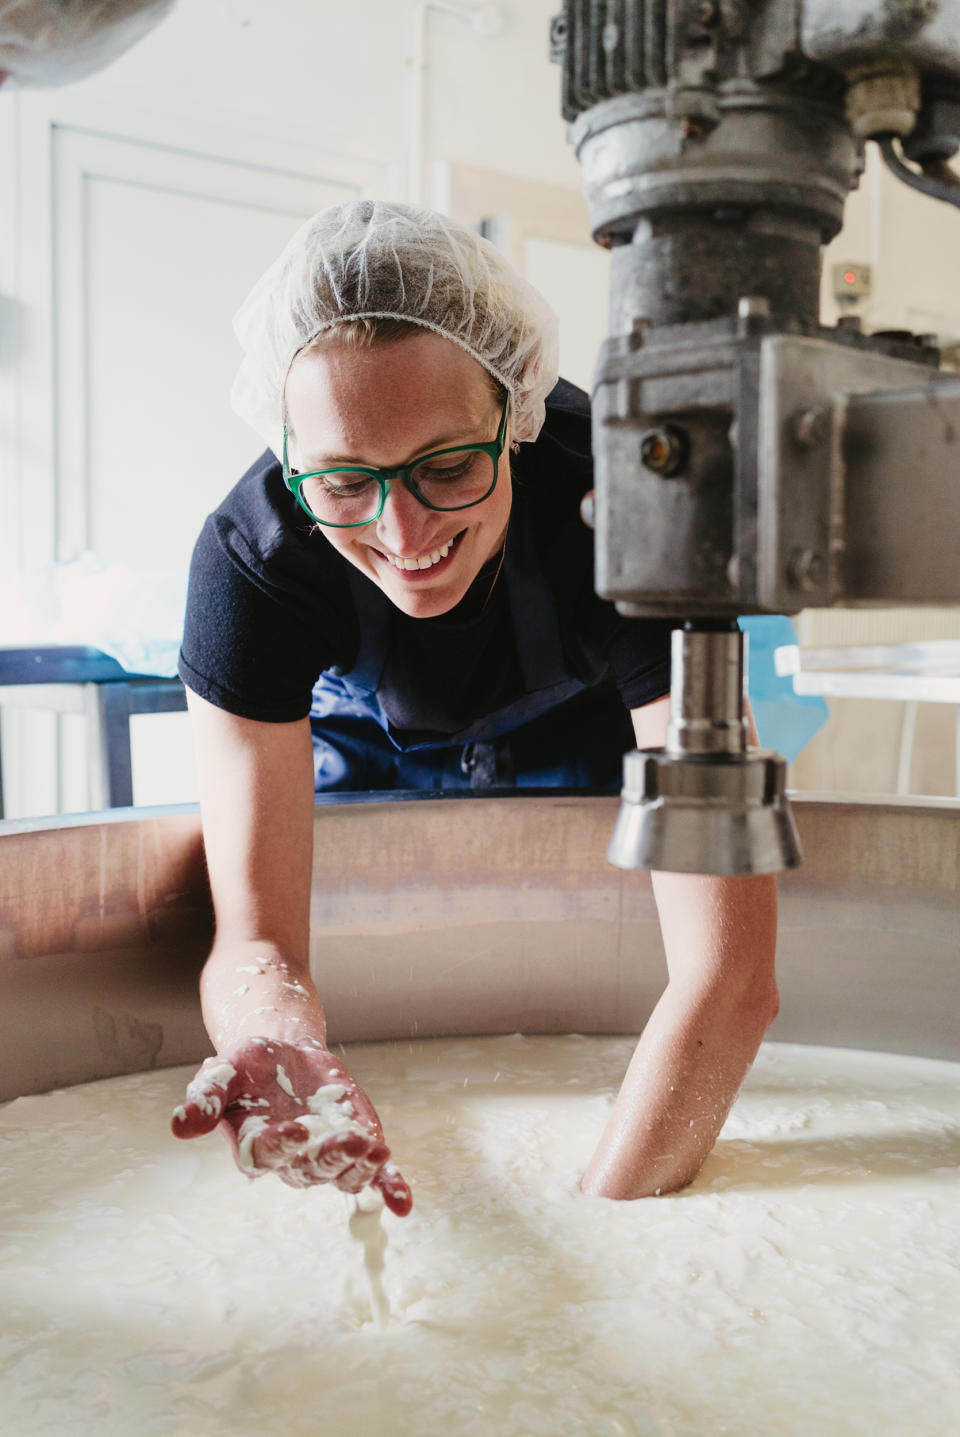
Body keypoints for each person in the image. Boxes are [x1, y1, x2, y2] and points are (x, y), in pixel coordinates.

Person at [171, 201, 778, 1214]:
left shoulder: (627, 511)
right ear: (290, 460)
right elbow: (256, 941)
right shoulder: (255, 563)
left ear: (520, 412)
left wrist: (616, 1221)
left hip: (590, 755)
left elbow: (729, 978)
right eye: (344, 483)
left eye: (449, 467)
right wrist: (280, 1053)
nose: (401, 530)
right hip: (365, 765)